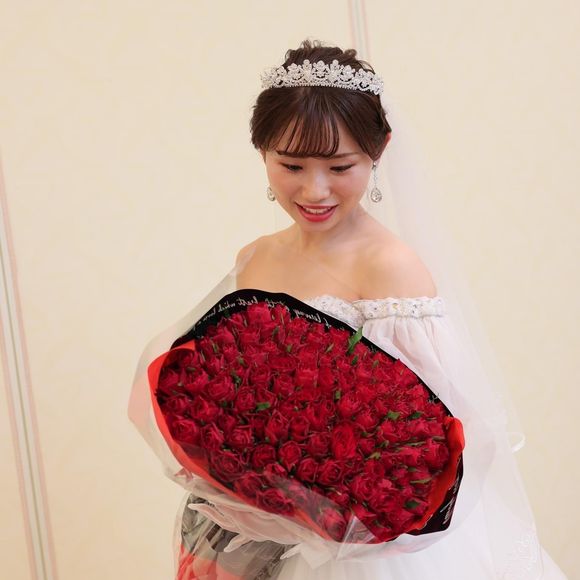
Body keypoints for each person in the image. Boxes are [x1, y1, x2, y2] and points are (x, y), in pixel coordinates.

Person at [128, 39, 568, 579]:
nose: (315, 190)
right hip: (252, 526)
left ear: (378, 151)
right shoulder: (255, 257)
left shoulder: (390, 268)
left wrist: (328, 514)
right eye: (291, 164)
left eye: (340, 166)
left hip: (360, 551)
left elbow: (434, 442)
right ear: (261, 152)